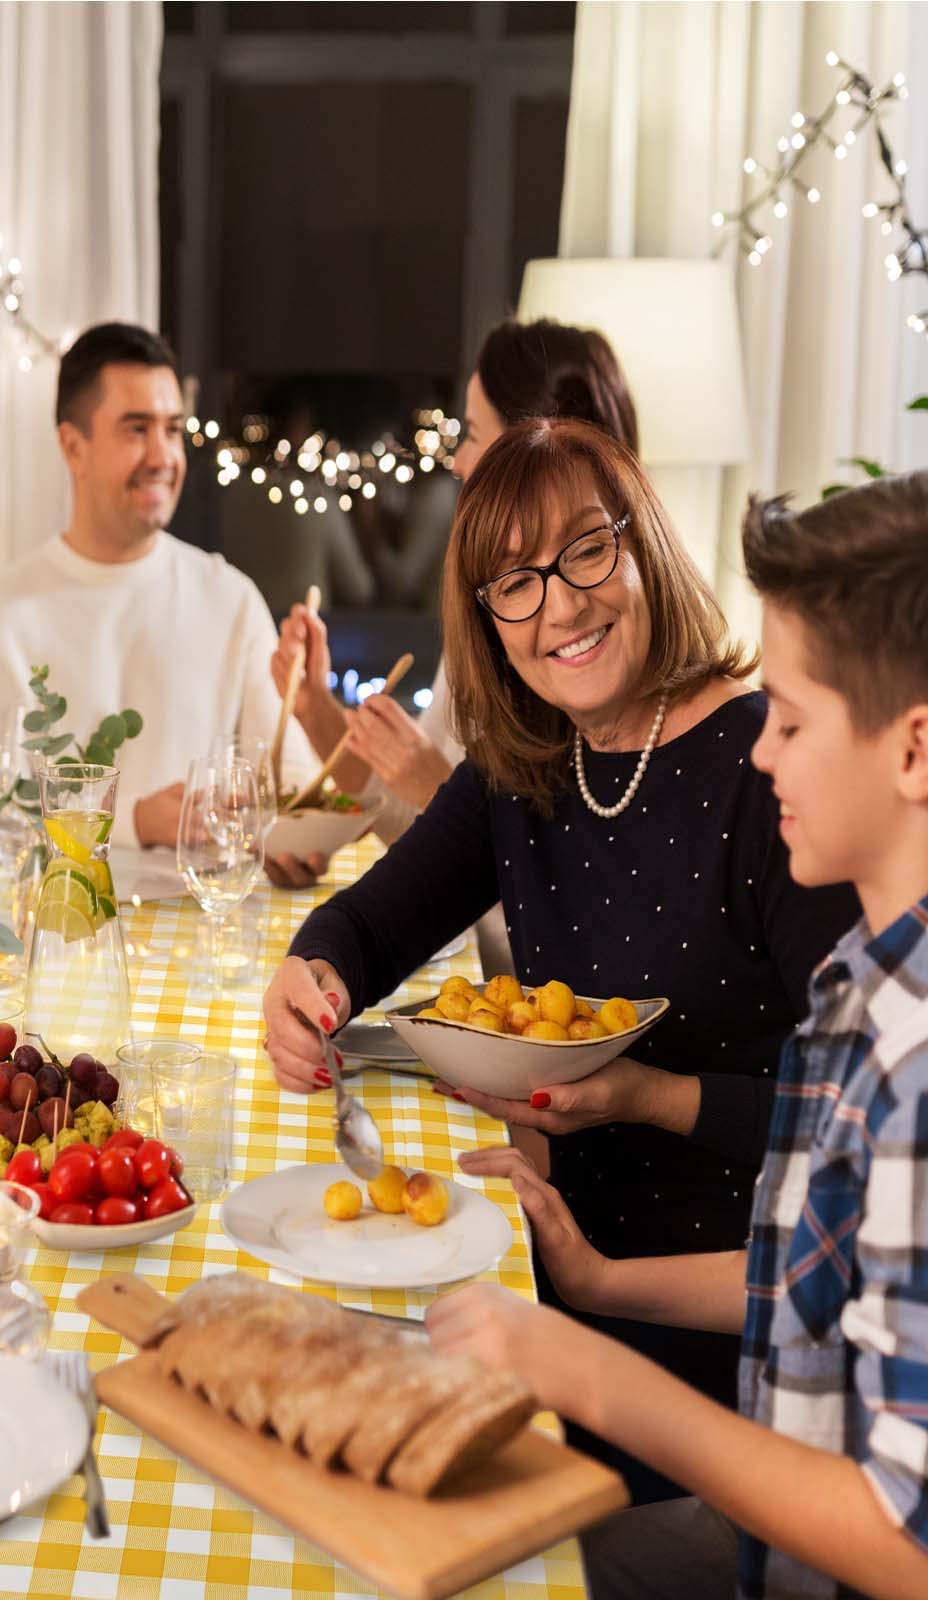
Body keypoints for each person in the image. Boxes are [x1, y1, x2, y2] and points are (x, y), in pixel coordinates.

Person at [261, 417, 859, 1503]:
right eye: (513, 584)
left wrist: (648, 1096)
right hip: (548, 1264)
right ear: (486, 619)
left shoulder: (770, 770)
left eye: (586, 552)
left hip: (720, 1317)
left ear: (643, 547)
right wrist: (313, 976)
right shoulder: (526, 761)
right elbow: (373, 920)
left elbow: (851, 1120)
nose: (560, 607)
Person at [429, 472, 928, 1598]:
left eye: (790, 721)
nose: (757, 751)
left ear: (911, 750)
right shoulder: (863, 984)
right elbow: (813, 1277)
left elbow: (905, 1540)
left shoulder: (916, 1065)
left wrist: (588, 1374)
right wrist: (596, 1284)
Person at [267, 318, 639, 936]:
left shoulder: (587, 651)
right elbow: (411, 807)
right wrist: (314, 708)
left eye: (471, 432)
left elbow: (583, 890)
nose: (460, 458)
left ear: (539, 441)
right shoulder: (497, 612)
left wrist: (433, 787)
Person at [0, 322, 315, 848]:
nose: (163, 457)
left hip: (210, 917)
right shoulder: (1, 616)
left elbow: (294, 786)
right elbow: (2, 819)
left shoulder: (230, 598)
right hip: (62, 922)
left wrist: (290, 843)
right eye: (136, 429)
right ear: (73, 447)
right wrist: (138, 822)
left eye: (172, 429)